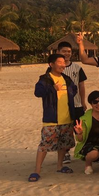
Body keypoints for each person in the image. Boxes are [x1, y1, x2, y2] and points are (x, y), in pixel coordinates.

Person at [29, 54, 77, 182]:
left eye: (64, 62)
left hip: (67, 118)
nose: (63, 65)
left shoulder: (66, 78)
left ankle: (60, 166)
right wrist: (52, 89)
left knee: (63, 144)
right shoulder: (45, 79)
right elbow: (37, 92)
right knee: (44, 145)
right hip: (51, 119)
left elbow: (74, 89)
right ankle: (37, 171)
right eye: (59, 62)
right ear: (51, 64)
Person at [56, 41, 87, 120]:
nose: (67, 53)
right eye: (64, 51)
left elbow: (81, 86)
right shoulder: (53, 69)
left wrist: (83, 102)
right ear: (58, 52)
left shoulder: (77, 68)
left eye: (69, 51)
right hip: (60, 106)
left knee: (78, 127)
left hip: (76, 105)